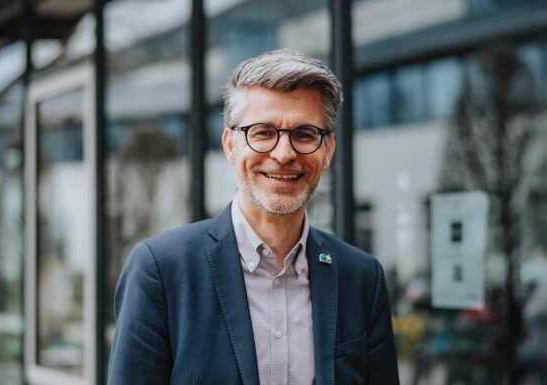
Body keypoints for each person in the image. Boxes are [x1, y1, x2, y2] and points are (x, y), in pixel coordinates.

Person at [107, 49, 400, 385]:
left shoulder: (361, 278)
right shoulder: (160, 270)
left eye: (304, 134)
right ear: (230, 146)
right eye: (263, 132)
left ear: (328, 150)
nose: (284, 154)